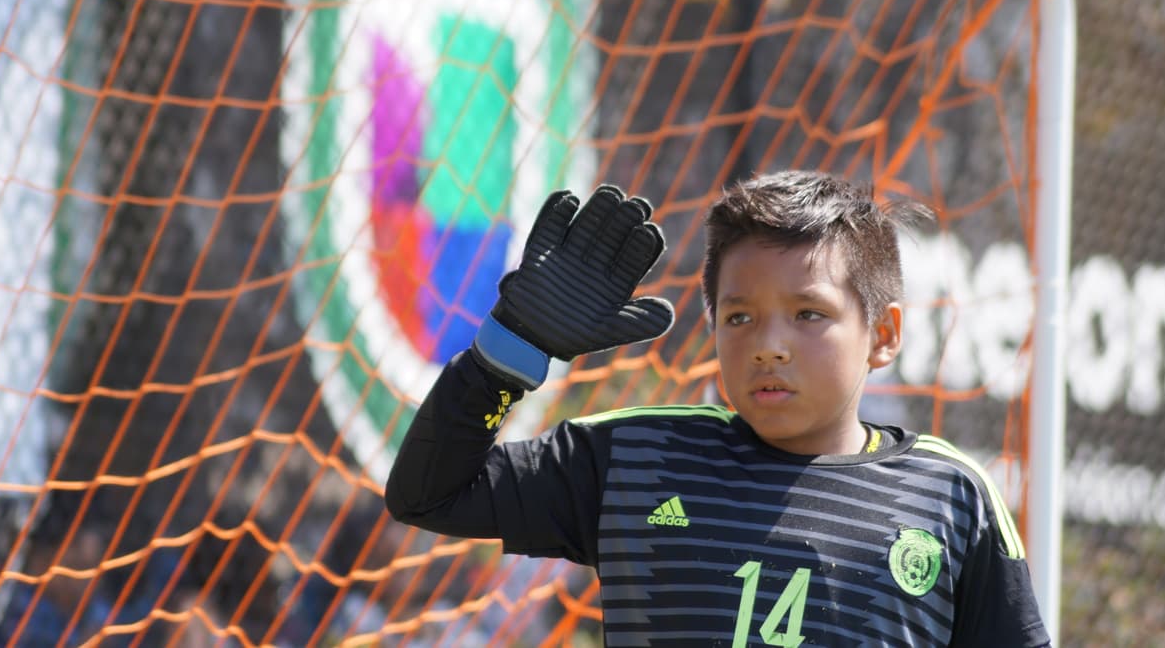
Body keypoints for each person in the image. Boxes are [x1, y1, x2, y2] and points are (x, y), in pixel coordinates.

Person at [385, 172, 1051, 646]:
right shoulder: (636, 459)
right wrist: (508, 352)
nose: (768, 345)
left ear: (883, 334)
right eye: (739, 317)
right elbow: (430, 494)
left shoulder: (950, 497)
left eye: (808, 314)